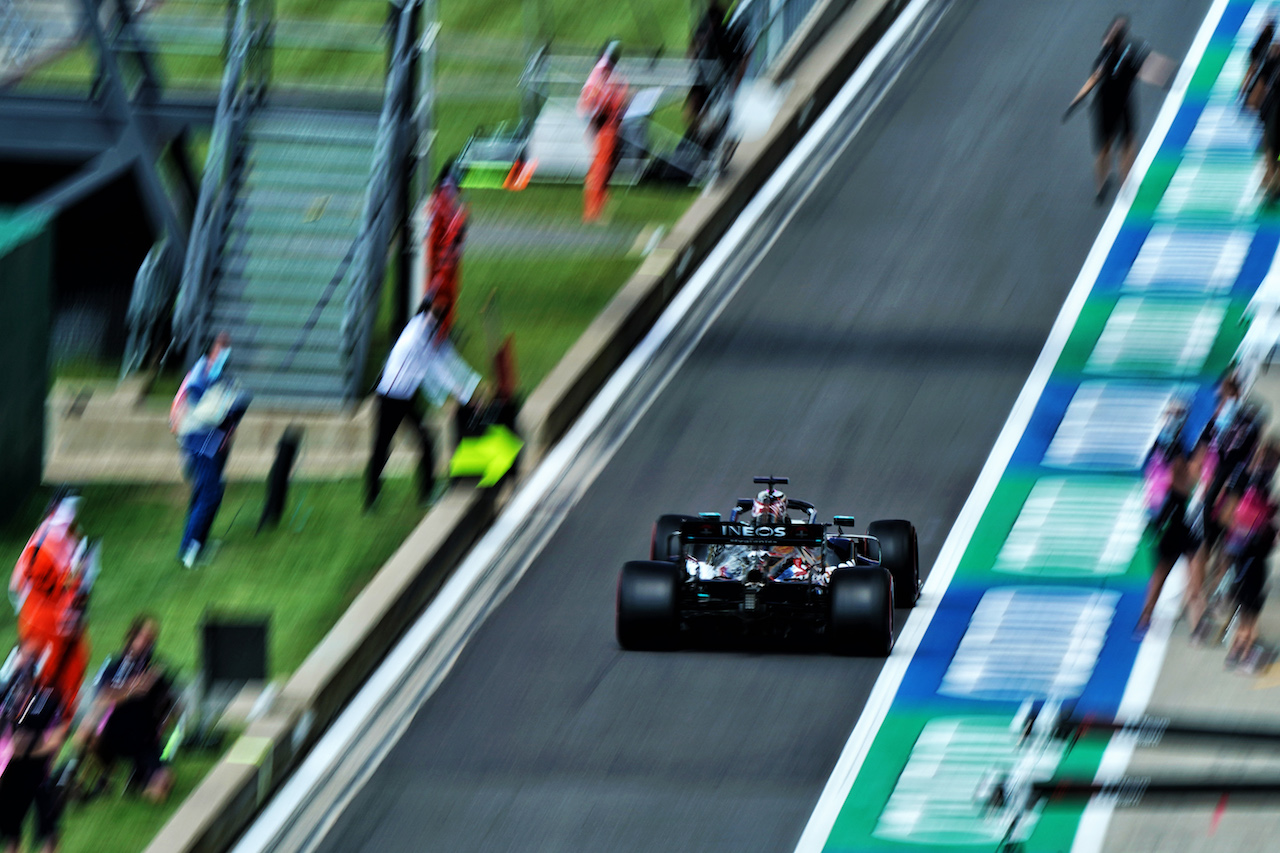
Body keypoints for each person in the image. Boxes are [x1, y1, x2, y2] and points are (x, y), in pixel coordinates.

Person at [365, 299, 482, 511]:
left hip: (405, 397)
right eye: (434, 317)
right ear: (426, 315)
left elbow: (442, 360)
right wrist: (465, 396)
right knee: (382, 447)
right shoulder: (416, 337)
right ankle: (371, 498)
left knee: (425, 441)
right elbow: (438, 369)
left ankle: (427, 493)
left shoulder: (422, 330)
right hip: (390, 398)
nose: (436, 323)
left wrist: (465, 393)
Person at [171, 333, 252, 568]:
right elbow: (207, 412)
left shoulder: (216, 375)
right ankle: (190, 551)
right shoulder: (198, 377)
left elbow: (225, 406)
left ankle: (195, 544)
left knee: (207, 494)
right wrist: (228, 405)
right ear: (211, 351)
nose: (223, 354)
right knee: (209, 494)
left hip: (213, 443)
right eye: (220, 349)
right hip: (200, 444)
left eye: (226, 349)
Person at [73, 617, 175, 803]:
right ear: (131, 637)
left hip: (144, 737)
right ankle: (103, 772)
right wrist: (132, 689)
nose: (145, 642)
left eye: (150, 639)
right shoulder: (114, 665)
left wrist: (164, 722)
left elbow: (170, 707)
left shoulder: (155, 669)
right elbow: (102, 696)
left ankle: (137, 777)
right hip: (115, 731)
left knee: (161, 789)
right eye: (142, 637)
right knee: (84, 734)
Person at [8, 496, 92, 714]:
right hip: (46, 623)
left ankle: (51, 716)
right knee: (43, 672)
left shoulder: (64, 539)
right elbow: (24, 584)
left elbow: (77, 584)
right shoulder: (45, 543)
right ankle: (29, 716)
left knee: (65, 670)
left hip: (56, 623)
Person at [1065, 16, 1150, 203]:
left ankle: (1113, 185)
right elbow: (1094, 79)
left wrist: (1075, 102)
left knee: (1121, 145)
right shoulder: (1123, 53)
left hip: (1113, 105)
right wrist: (1076, 101)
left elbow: (1093, 80)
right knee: (1114, 147)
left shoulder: (1112, 53)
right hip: (1114, 106)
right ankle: (1110, 185)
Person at [0, 643, 71, 853]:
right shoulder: (3, 698)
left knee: (49, 837)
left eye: (31, 656)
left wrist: (29, 746)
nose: (24, 661)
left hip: (38, 772)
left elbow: (57, 737)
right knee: (11, 839)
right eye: (21, 655)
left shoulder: (49, 698)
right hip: (9, 774)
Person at [578, 41, 629, 223]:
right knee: (599, 169)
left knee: (604, 168)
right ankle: (593, 211)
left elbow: (619, 90)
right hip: (602, 129)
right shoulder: (597, 77)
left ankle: (599, 203)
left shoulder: (606, 74)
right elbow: (588, 107)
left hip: (610, 127)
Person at [424, 161, 468, 338]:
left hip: (437, 264)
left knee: (442, 298)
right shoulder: (447, 205)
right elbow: (449, 246)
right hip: (441, 267)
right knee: (442, 300)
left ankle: (440, 332)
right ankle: (440, 335)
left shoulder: (438, 198)